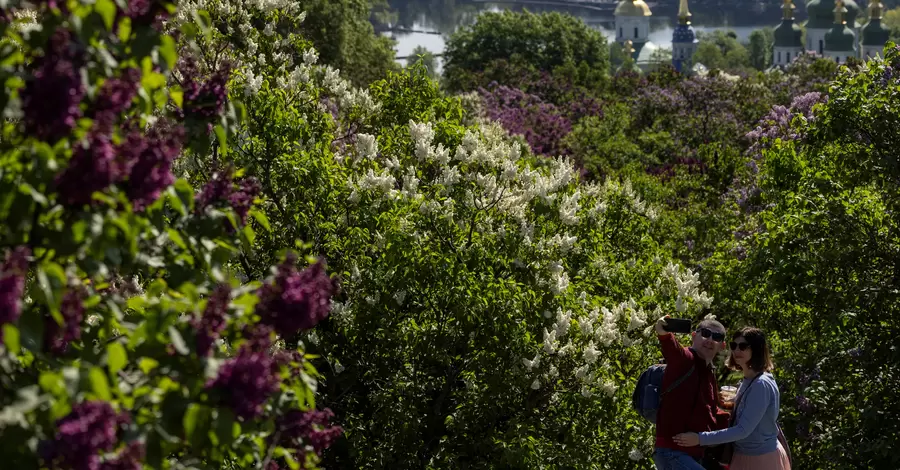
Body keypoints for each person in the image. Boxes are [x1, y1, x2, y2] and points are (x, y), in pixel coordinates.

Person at [672, 327, 791, 470]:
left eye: (743, 346)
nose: (736, 351)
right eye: (734, 346)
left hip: (762, 459)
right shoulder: (749, 380)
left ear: (757, 349)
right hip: (743, 455)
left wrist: (699, 438)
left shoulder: (761, 384)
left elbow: (742, 430)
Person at [652, 316, 730, 470]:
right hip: (672, 452)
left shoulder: (709, 372)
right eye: (705, 333)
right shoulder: (685, 359)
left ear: (722, 346)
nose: (710, 340)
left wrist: (740, 419)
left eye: (716, 337)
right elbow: (672, 349)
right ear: (694, 336)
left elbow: (712, 412)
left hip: (697, 454)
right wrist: (663, 333)